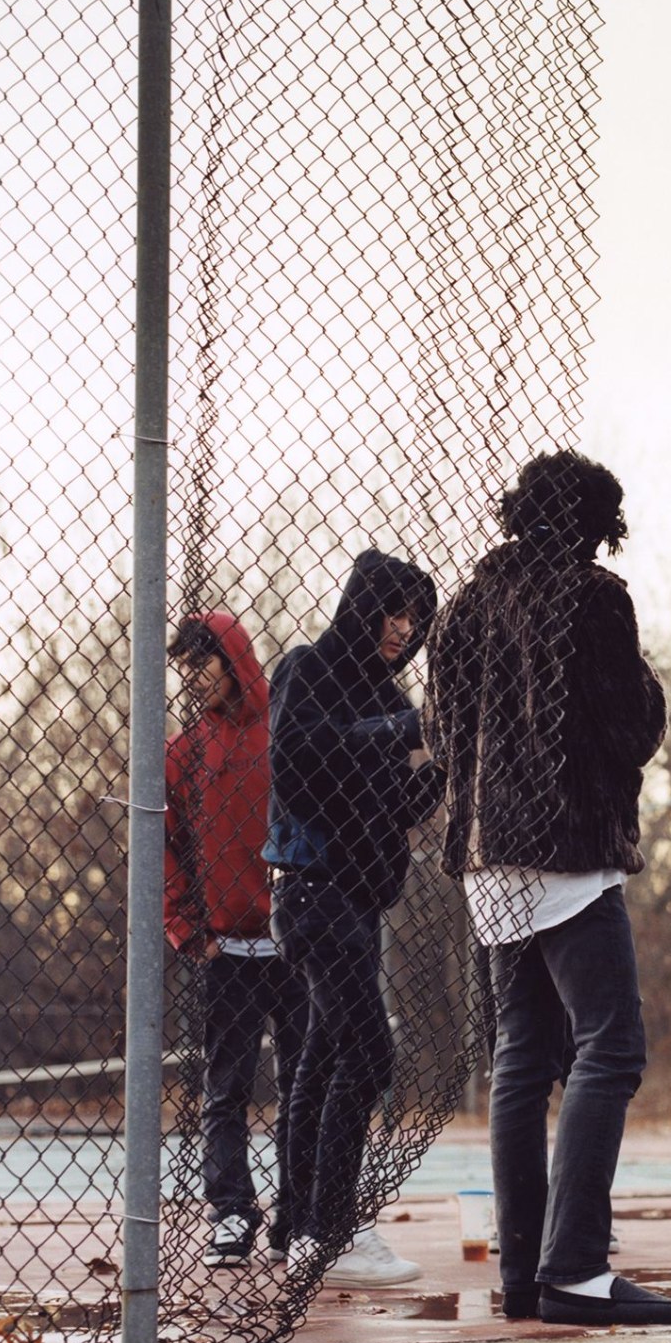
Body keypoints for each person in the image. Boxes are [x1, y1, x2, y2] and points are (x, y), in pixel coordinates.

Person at [429, 450, 671, 1327]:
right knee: (610, 1045)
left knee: (520, 1055)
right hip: (567, 844)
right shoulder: (593, 595)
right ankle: (574, 1267)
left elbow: (440, 731)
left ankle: (523, 1274)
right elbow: (631, 726)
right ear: (595, 524)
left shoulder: (463, 605)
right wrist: (651, 691)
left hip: (486, 854)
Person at [266, 550, 441, 1288]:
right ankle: (333, 1229)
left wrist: (442, 761)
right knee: (369, 1056)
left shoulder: (389, 697)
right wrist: (401, 732)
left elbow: (395, 809)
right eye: (392, 612)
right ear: (361, 606)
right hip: (314, 890)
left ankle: (296, 1225)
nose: (403, 629)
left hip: (359, 900)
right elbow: (296, 764)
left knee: (322, 1061)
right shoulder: (308, 668)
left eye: (414, 619)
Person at [164, 612, 306, 1268]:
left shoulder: (287, 730)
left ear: (233, 657)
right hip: (229, 950)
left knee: (304, 1085)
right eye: (184, 668)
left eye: (203, 662)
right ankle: (230, 1212)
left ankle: (297, 1216)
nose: (193, 677)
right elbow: (168, 850)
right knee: (225, 1090)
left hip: (296, 943)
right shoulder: (185, 752)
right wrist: (189, 932)